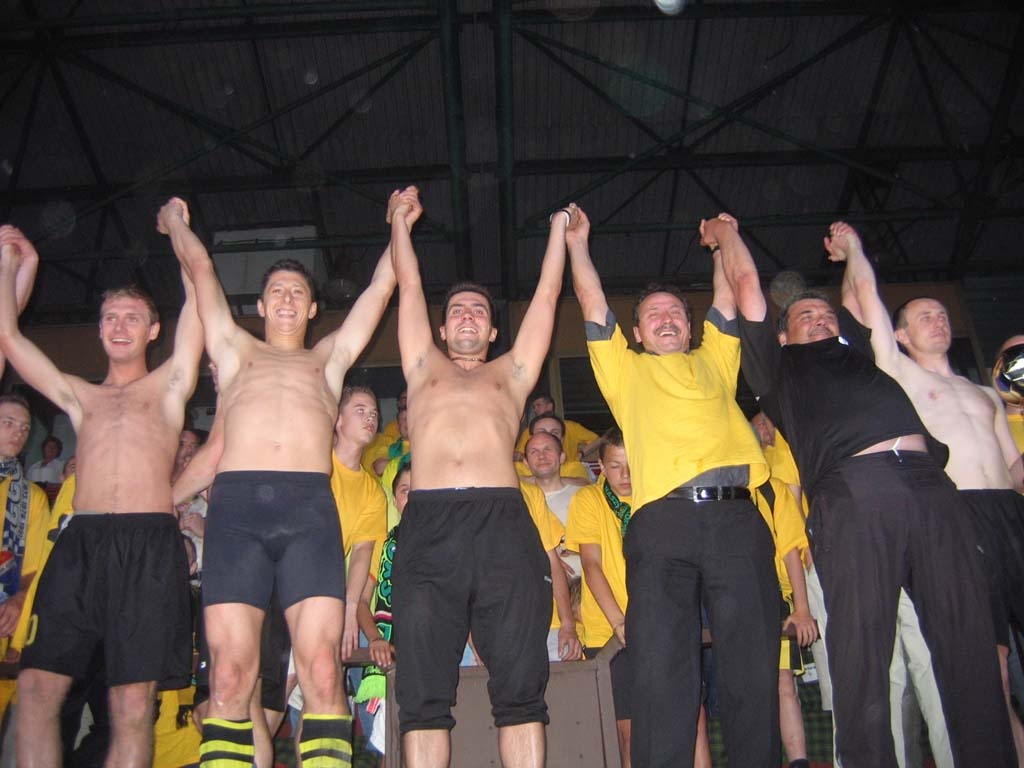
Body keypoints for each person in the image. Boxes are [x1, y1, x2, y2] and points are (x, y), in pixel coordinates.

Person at [716, 211, 1014, 766]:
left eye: (826, 314)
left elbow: (861, 294)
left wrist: (851, 248)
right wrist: (725, 235)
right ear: (782, 335)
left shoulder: (863, 356)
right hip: (854, 491)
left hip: (931, 486)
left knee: (968, 641)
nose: (820, 319)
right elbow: (748, 286)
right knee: (862, 652)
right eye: (805, 316)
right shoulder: (777, 370)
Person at [163, 190, 409, 768]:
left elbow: (381, 288)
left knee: (322, 669)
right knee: (229, 676)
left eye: (298, 292)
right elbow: (200, 268)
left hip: (308, 514)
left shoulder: (328, 360)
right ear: (259, 304)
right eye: (277, 291)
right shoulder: (234, 350)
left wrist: (398, 220)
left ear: (313, 307)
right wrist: (174, 222)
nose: (287, 299)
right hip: (237, 515)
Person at [567, 207, 780, 767]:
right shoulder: (625, 370)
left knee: (753, 665)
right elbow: (591, 302)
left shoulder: (717, 359)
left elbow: (729, 295)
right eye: (652, 315)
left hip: (738, 518)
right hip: (663, 523)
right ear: (636, 332)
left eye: (675, 313)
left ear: (690, 326)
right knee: (662, 670)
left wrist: (719, 243)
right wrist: (578, 244)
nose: (665, 320)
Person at [0, 217, 203, 767]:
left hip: (147, 544)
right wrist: (13, 266)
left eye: (132, 317)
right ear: (98, 330)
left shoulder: (170, 385)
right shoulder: (79, 396)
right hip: (81, 542)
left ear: (153, 331)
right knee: (36, 688)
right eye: (110, 317)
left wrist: (178, 232)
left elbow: (199, 299)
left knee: (131, 705)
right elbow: (10, 339)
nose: (119, 325)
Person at [388, 189, 577, 768]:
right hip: (429, 526)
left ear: (494, 331)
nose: (467, 315)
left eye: (479, 311)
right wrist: (399, 223)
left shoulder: (512, 373)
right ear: (442, 330)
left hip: (502, 527)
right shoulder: (422, 367)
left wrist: (558, 230)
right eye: (457, 311)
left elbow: (547, 296)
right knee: (422, 697)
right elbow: (409, 286)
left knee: (521, 689)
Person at [833, 223, 1024, 762]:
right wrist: (853, 251)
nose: (938, 320)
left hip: (1011, 513)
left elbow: (1014, 467)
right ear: (901, 335)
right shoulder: (902, 376)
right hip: (960, 516)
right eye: (924, 317)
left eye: (941, 314)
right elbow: (861, 301)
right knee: (988, 659)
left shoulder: (988, 393)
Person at [0, 394, 50, 716]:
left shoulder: (31, 498)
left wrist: (19, 601)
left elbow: (33, 567)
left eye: (24, 428)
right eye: (8, 423)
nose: (18, 433)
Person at [513, 394, 598, 461]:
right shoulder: (528, 431)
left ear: (550, 406)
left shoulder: (571, 426)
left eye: (538, 405)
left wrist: (581, 453)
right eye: (534, 407)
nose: (535, 410)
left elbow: (597, 440)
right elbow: (519, 455)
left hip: (569, 471)